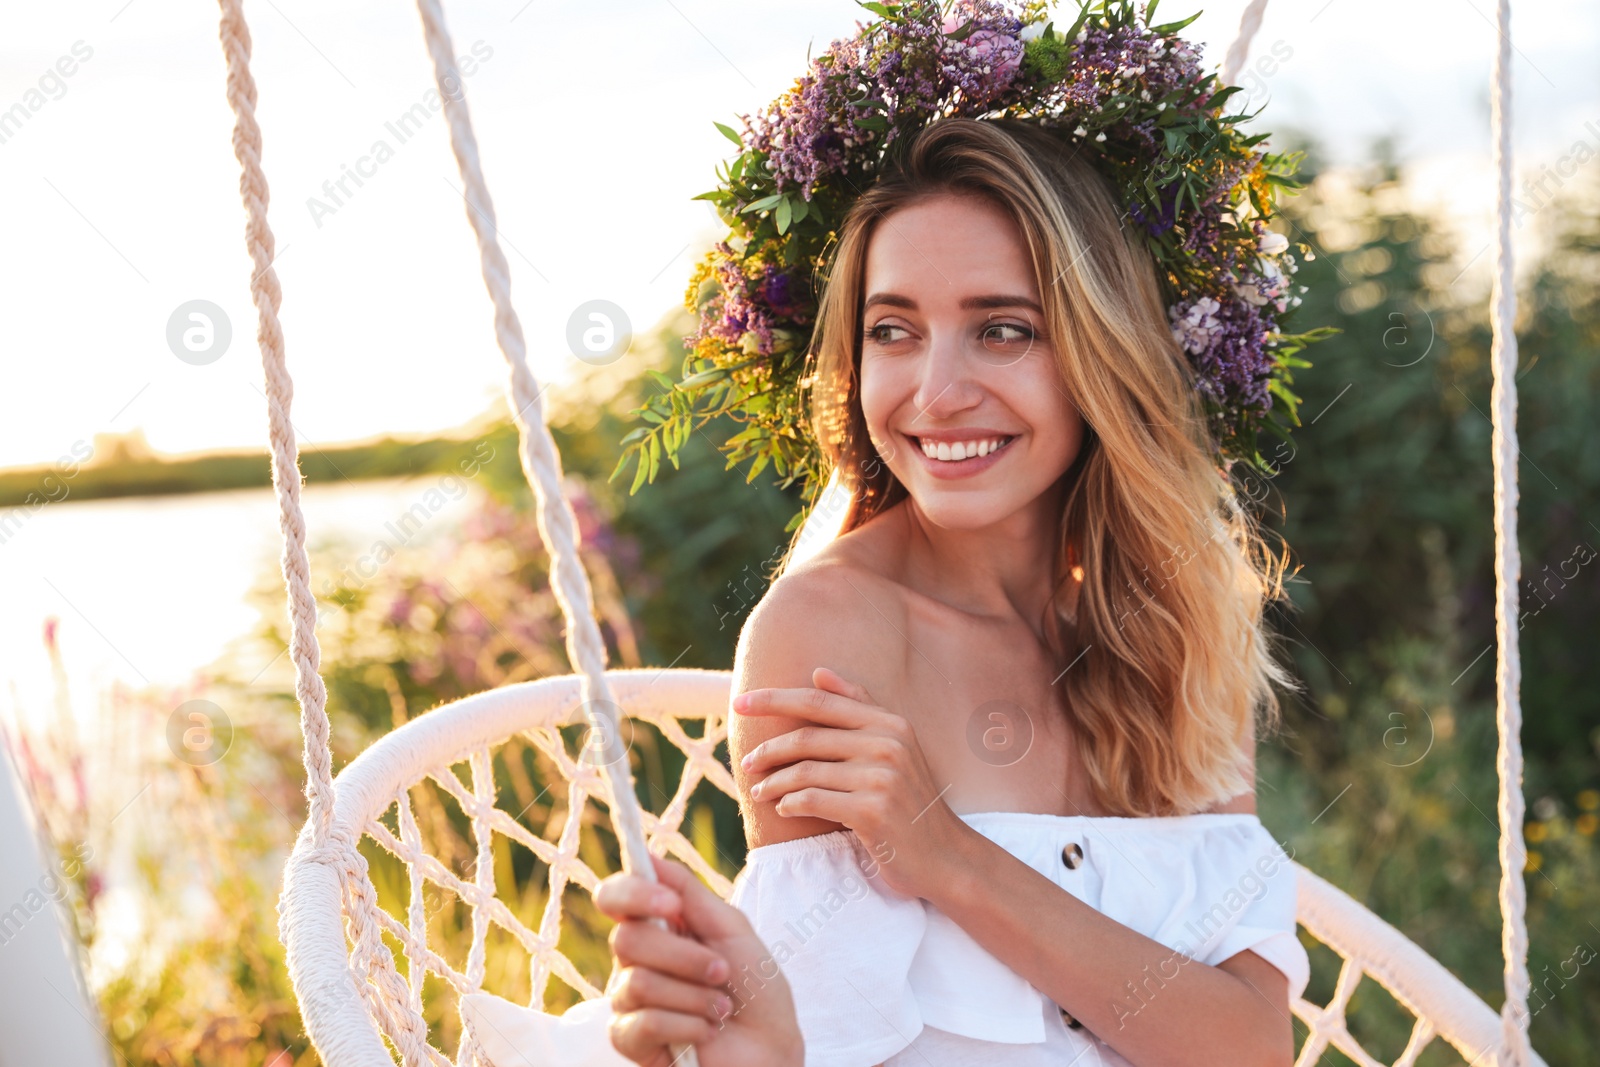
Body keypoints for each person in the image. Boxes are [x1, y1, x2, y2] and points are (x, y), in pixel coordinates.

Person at [599, 112, 1311, 1067]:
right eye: (893, 330)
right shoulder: (829, 634)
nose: (936, 392)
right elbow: (810, 1045)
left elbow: (1250, 1045)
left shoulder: (1177, 628)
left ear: (1103, 355)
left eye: (1002, 330)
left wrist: (953, 859)